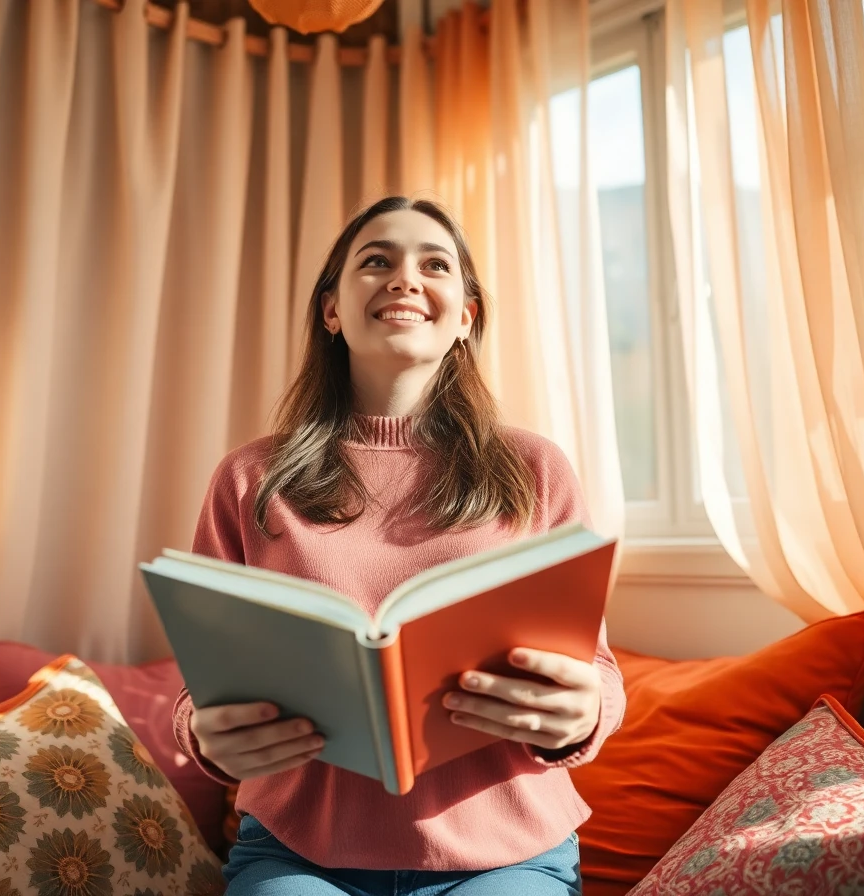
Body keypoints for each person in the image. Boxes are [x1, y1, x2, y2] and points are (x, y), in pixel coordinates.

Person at [172, 196, 626, 895]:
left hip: (508, 853)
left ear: (466, 316)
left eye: (434, 264)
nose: (405, 279)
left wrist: (585, 710)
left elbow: (592, 665)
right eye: (376, 261)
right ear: (331, 310)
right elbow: (200, 683)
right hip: (298, 854)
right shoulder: (249, 478)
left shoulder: (535, 469)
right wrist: (203, 734)